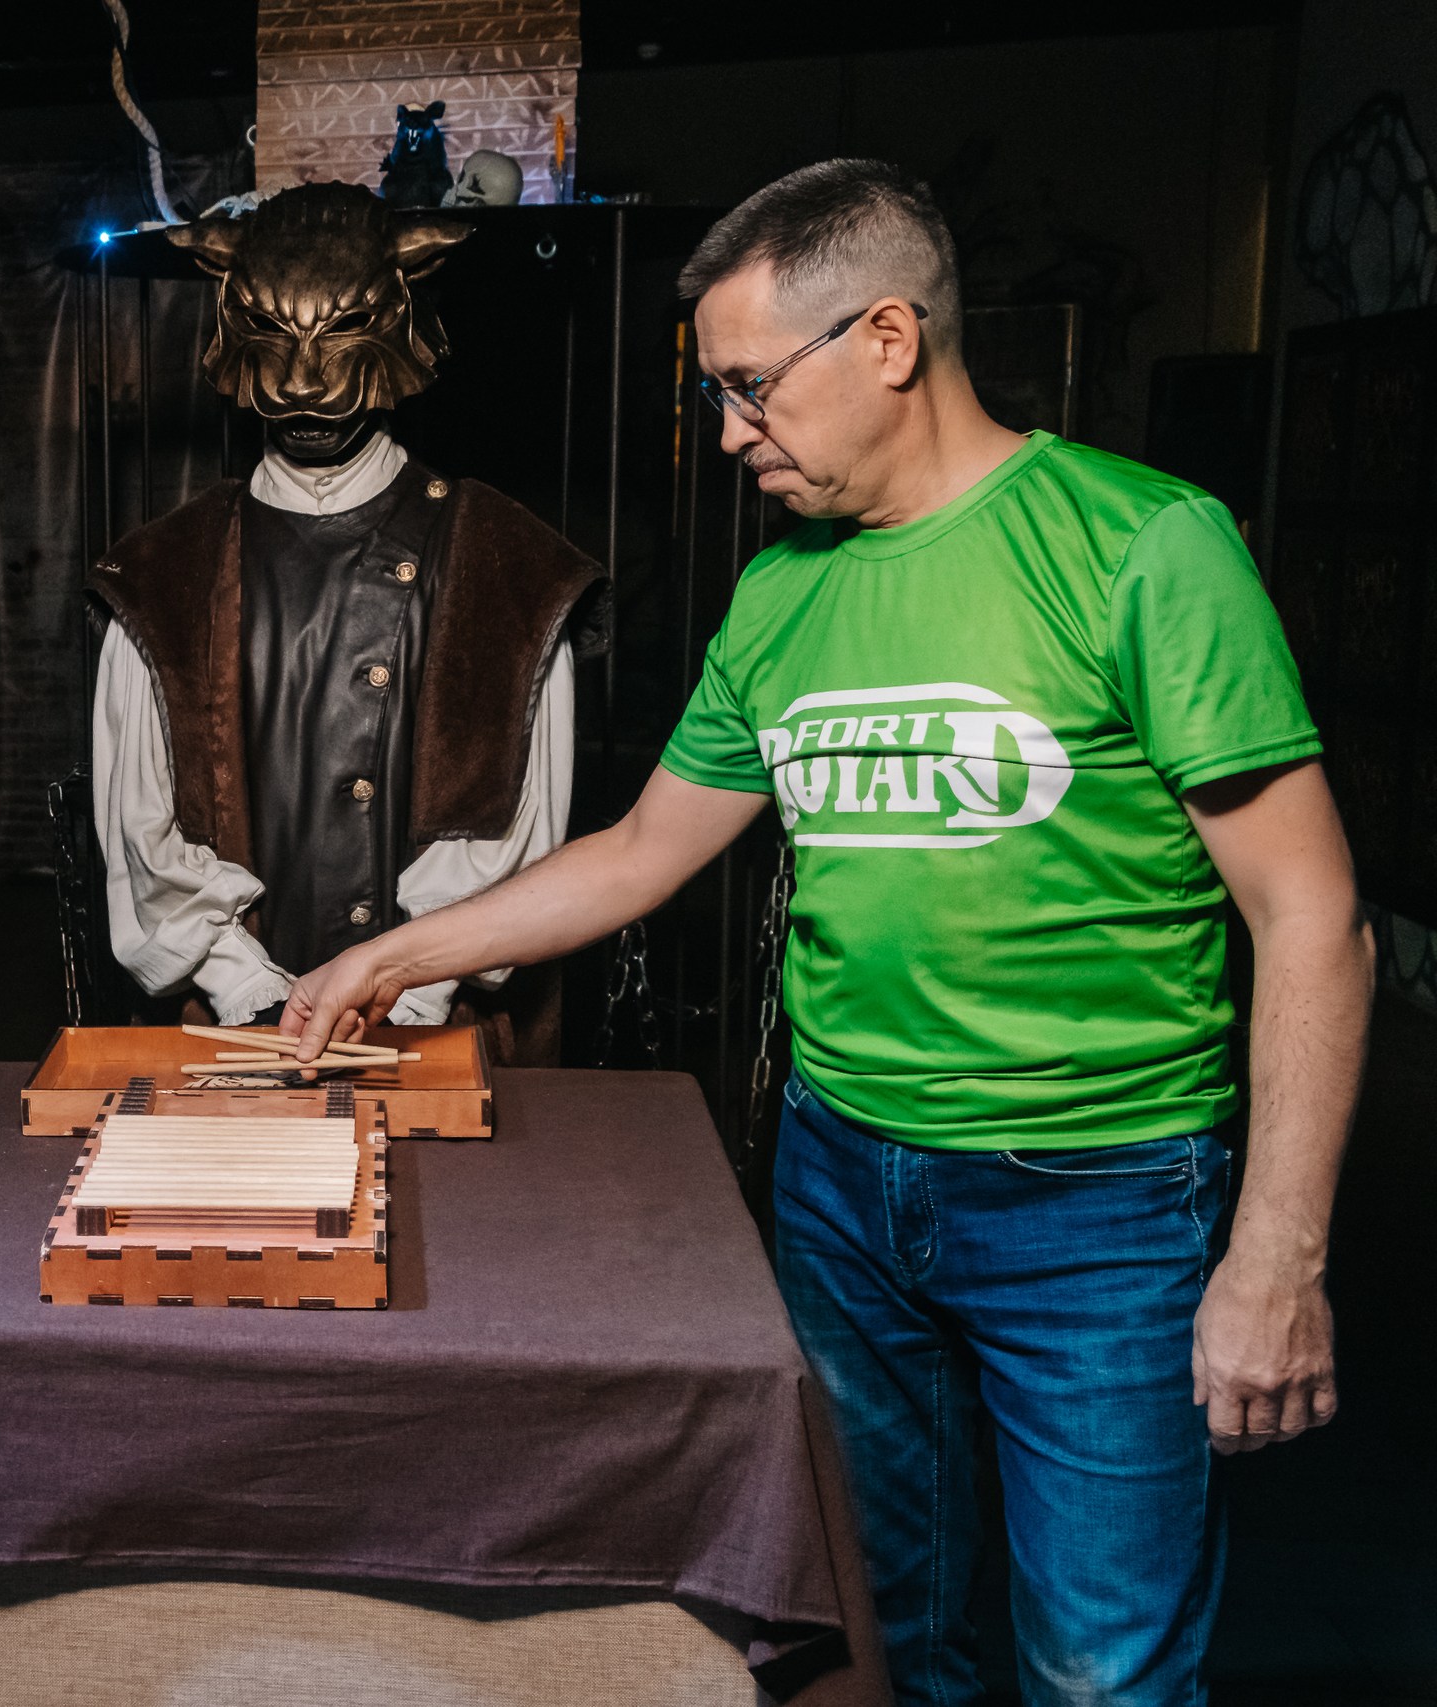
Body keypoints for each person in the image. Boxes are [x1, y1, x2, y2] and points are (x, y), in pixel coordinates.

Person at [281, 160, 1372, 1707]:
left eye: (749, 386)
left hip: (1102, 1194)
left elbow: (1312, 912)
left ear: (887, 337)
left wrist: (1277, 1253)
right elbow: (644, 849)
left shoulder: (1142, 545)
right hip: (841, 1178)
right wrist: (394, 951)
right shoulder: (781, 596)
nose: (731, 431)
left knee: (1101, 1668)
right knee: (873, 1631)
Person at [89, 184, 605, 1064]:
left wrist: (408, 985)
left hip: (437, 1039)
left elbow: (517, 840)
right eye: (272, 334)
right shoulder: (159, 573)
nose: (301, 381)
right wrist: (252, 990)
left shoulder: (509, 567)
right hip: (230, 1039)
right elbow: (142, 832)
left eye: (341, 331)